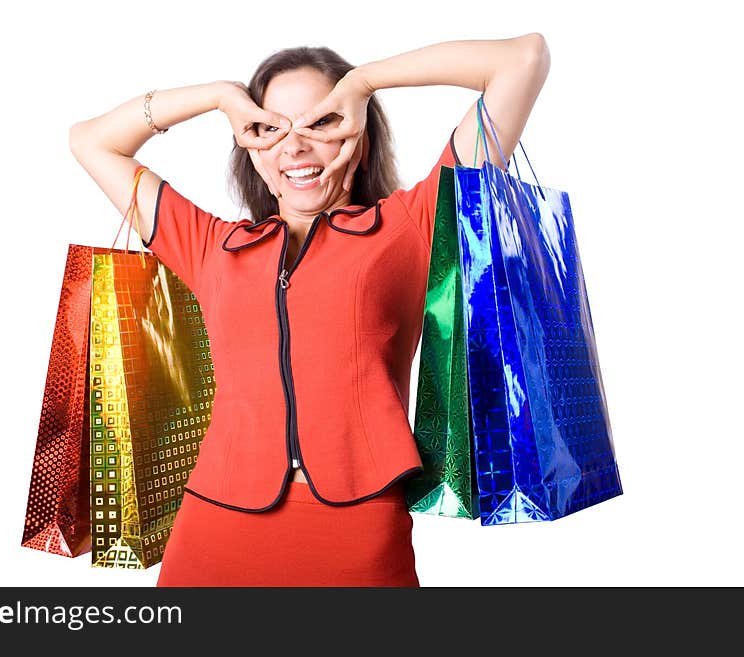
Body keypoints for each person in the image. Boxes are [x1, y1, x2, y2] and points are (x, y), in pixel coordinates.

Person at [69, 33, 551, 586]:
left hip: (358, 526)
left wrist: (366, 82)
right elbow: (91, 142)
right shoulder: (209, 244)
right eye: (270, 128)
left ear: (360, 140)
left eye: (322, 123)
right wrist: (219, 96)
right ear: (249, 148)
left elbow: (523, 59)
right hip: (214, 526)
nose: (294, 147)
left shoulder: (409, 227)